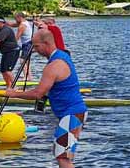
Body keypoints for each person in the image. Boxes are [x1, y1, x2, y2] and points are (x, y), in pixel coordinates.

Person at [7, 30, 86, 168]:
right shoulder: (62, 56)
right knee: (61, 155)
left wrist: (14, 94)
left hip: (72, 114)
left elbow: (38, 93)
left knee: (63, 158)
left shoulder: (54, 65)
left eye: (37, 46)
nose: (35, 50)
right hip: (72, 113)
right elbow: (47, 92)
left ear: (46, 43)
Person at [0, 18, 22, 92]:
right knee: (3, 70)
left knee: (8, 71)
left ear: (1, 22)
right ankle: (8, 86)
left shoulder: (5, 30)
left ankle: (15, 87)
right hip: (6, 52)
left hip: (12, 51)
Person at [13, 12, 37, 86]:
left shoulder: (22, 25)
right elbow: (12, 24)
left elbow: (17, 37)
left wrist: (11, 46)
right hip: (27, 44)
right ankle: (29, 77)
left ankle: (27, 77)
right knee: (26, 61)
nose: (15, 20)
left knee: (22, 60)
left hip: (28, 44)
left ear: (19, 17)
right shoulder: (25, 22)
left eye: (15, 18)